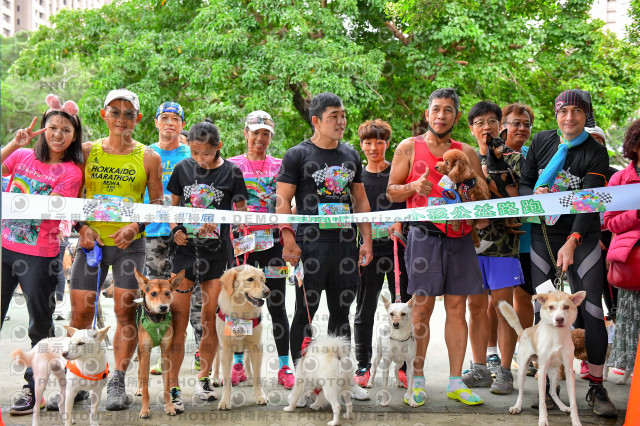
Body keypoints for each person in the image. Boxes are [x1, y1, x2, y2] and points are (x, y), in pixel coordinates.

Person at [519, 89, 616, 417]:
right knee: (542, 312)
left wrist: (574, 240)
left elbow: (590, 203)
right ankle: (546, 387)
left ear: (585, 115)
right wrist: (535, 193)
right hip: (543, 235)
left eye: (577, 112)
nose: (569, 118)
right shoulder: (542, 142)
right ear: (556, 113)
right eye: (564, 111)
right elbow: (524, 184)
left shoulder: (596, 151)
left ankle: (597, 388)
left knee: (590, 311)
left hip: (582, 235)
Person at [386, 88, 486, 406]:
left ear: (456, 116)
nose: (441, 116)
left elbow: (482, 194)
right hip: (424, 237)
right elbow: (390, 192)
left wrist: (470, 188)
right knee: (422, 311)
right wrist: (413, 186)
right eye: (436, 110)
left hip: (459, 238)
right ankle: (417, 379)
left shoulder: (466, 151)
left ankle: (456, 381)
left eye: (448, 110)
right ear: (427, 114)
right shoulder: (408, 147)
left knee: (457, 310)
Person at [67, 89, 163, 411]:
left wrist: (136, 227)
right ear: (103, 115)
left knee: (125, 311)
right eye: (115, 112)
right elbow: (71, 196)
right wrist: (82, 228)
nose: (121, 119)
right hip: (92, 244)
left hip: (129, 245)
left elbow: (158, 203)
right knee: (81, 312)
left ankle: (117, 380)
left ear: (136, 118)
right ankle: (79, 378)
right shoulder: (85, 151)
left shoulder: (149, 156)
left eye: (128, 113)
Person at [276, 92, 373, 402]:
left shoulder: (350, 155)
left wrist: (367, 240)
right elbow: (282, 200)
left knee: (341, 314)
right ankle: (303, 384)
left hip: (345, 246)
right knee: (305, 315)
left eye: (343, 116)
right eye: (334, 117)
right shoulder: (297, 155)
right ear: (316, 121)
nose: (341, 122)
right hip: (310, 247)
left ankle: (345, 380)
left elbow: (360, 200)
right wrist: (288, 238)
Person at [1, 96, 83, 415]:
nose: (57, 134)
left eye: (65, 129)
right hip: (4, 249)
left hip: (41, 255)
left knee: (40, 325)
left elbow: (49, 208)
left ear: (74, 136)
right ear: (43, 129)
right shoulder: (20, 155)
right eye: (52, 127)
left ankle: (33, 388)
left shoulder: (71, 172)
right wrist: (14, 143)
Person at [167, 118, 248, 412]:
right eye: (194, 152)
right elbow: (172, 208)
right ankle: (173, 385)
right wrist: (175, 227)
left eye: (205, 153)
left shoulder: (232, 172)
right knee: (178, 319)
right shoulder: (181, 169)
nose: (199, 159)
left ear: (218, 148)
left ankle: (204, 378)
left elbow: (242, 212)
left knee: (209, 319)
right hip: (185, 254)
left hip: (217, 255)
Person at [228, 110, 295, 389]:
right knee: (241, 307)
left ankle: (284, 366)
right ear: (245, 133)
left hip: (274, 246)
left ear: (271, 137)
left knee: (277, 304)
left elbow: (290, 201)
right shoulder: (231, 165)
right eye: (255, 132)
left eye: (265, 133)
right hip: (242, 247)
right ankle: (238, 365)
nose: (260, 138)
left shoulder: (281, 165)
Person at [462, 101, 524, 396]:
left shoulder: (514, 158)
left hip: (503, 244)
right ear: (471, 128)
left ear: (501, 125)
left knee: (503, 309)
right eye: (479, 122)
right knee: (476, 308)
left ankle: (505, 371)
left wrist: (487, 175)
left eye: (491, 121)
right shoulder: (463, 157)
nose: (486, 127)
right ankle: (479, 368)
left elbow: (513, 196)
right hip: (471, 245)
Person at [352, 119, 410, 388]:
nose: (373, 147)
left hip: (398, 249)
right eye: (367, 142)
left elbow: (409, 203)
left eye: (379, 141)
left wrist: (399, 225)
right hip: (367, 251)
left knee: (406, 308)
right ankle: (363, 365)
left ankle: (406, 368)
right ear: (361, 145)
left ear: (388, 143)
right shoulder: (357, 177)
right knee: (365, 307)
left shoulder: (397, 174)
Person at [143, 102, 191, 375]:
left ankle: (195, 355)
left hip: (185, 235)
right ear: (156, 122)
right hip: (152, 233)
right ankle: (158, 351)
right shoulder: (146, 153)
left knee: (187, 296)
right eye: (165, 118)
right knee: (157, 298)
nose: (170, 123)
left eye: (176, 119)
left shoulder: (191, 154)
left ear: (182, 125)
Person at [501, 103, 538, 378]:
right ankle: (494, 357)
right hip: (495, 240)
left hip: (527, 237)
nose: (521, 128)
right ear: (502, 125)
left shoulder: (533, 155)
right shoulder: (489, 153)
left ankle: (526, 350)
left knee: (524, 295)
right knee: (495, 302)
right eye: (515, 123)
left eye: (526, 124)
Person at [603, 119, 640, 382]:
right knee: (627, 310)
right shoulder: (620, 179)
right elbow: (608, 221)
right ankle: (624, 362)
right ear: (634, 146)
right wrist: (636, 215)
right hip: (632, 258)